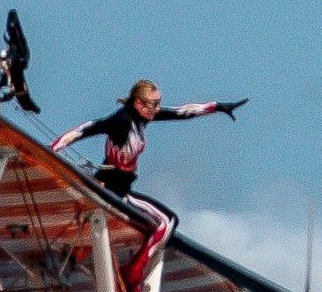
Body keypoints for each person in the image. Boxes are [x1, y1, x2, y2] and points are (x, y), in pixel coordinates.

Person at [54, 78, 247, 202]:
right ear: (139, 104)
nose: (157, 109)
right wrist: (53, 148)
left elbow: (180, 112)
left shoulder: (143, 117)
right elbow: (86, 129)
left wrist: (218, 106)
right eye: (154, 104)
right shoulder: (121, 120)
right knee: (164, 224)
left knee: (164, 223)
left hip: (123, 185)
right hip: (110, 183)